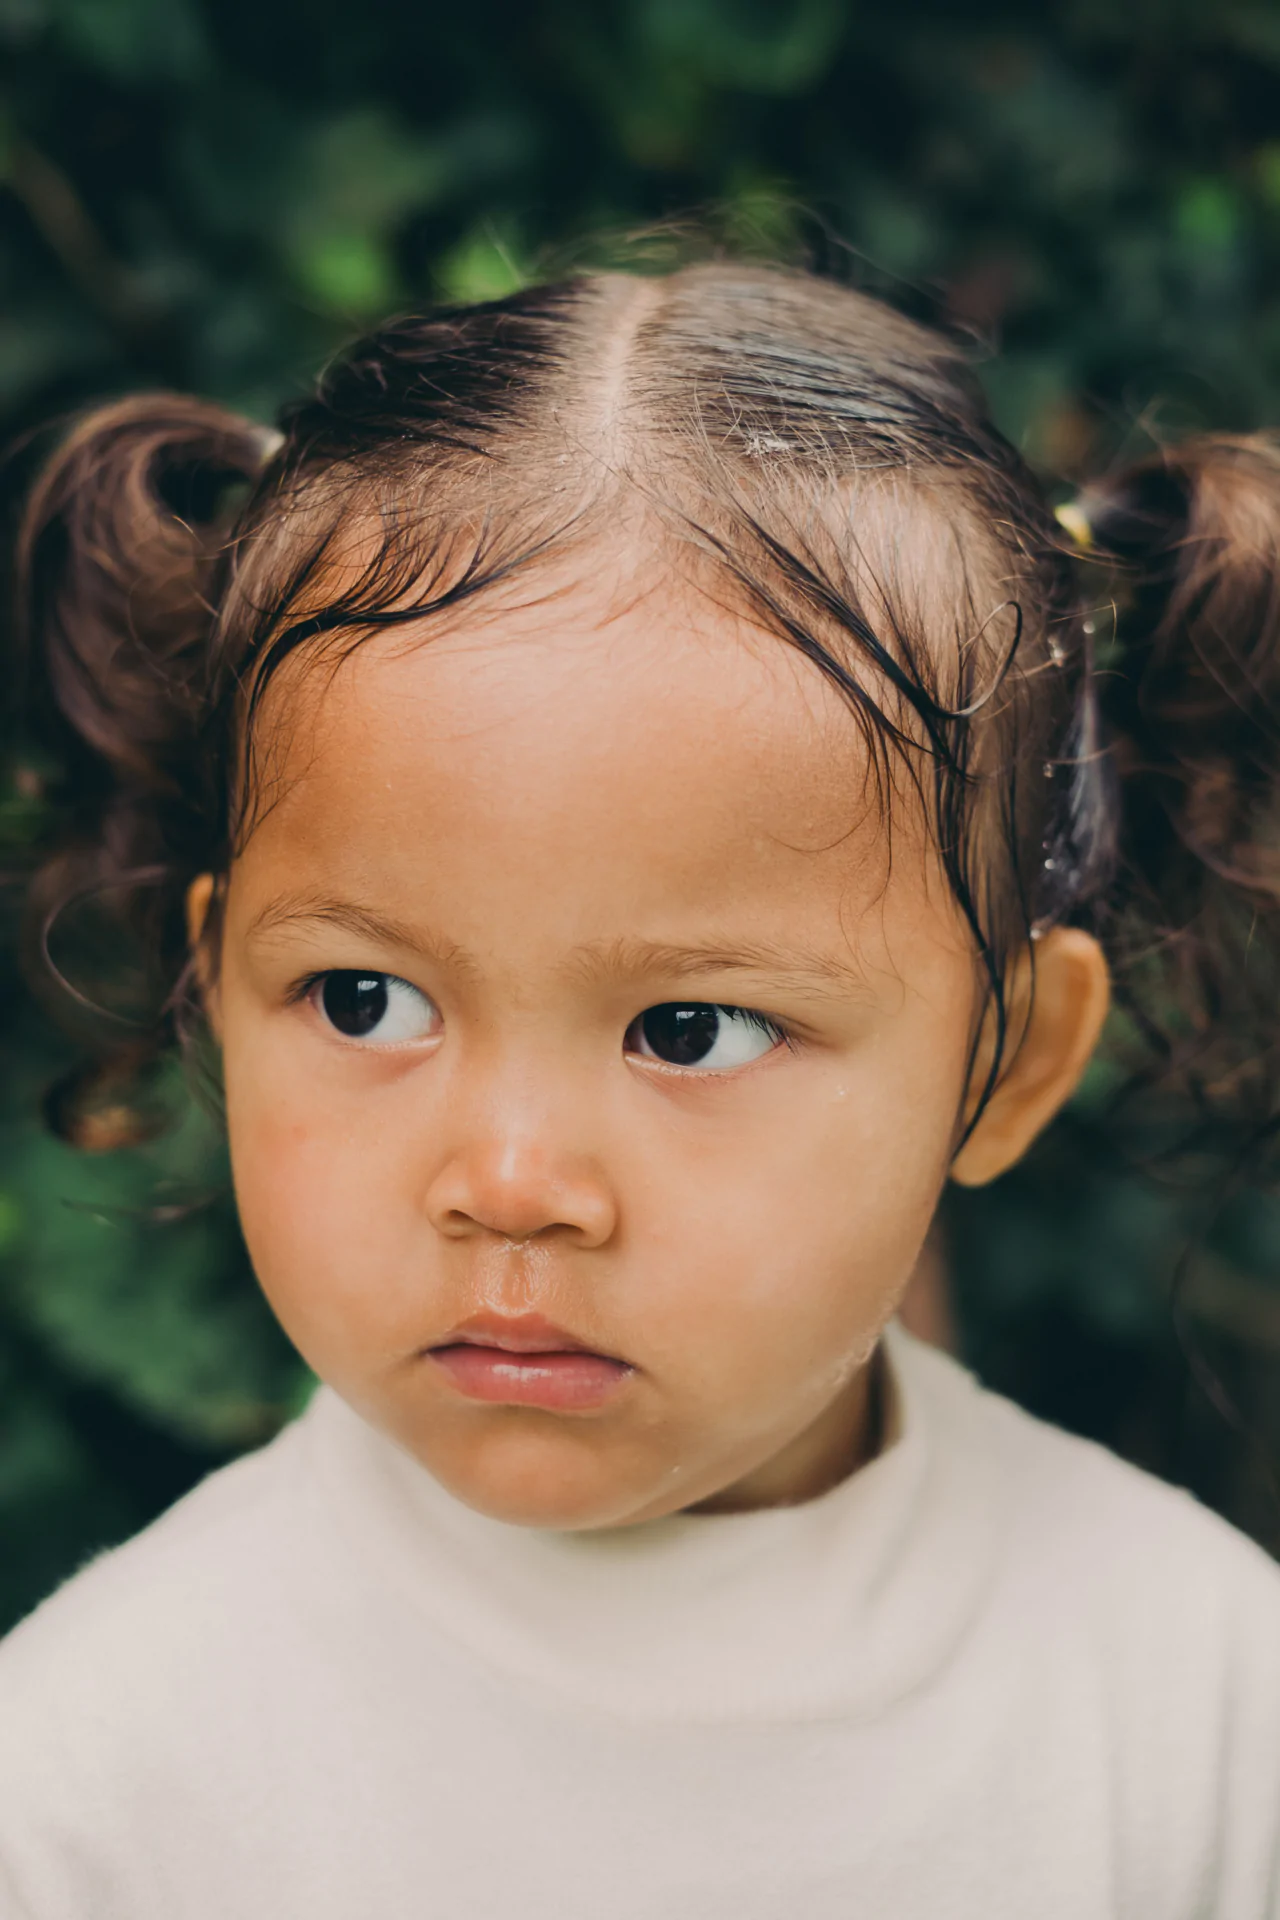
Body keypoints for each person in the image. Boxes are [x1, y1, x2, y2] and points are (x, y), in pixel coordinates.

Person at [1, 261, 1278, 1919]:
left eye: (691, 1032)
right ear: (218, 990)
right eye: (366, 998)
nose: (512, 1178)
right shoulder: (100, 1777)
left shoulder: (1198, 1713)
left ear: (1005, 1062)